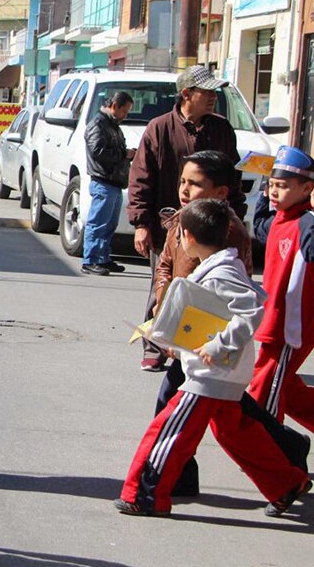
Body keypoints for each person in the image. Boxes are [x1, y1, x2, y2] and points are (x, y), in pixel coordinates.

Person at [116, 198, 310, 518]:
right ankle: (285, 484)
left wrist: (218, 346)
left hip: (210, 374)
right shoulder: (222, 267)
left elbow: (251, 309)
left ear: (188, 237)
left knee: (169, 430)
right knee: (236, 433)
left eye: (179, 235)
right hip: (218, 372)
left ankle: (144, 495)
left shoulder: (221, 272)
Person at [149, 150, 309, 497]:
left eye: (195, 184)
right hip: (188, 331)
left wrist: (207, 334)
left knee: (185, 407)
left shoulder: (227, 231)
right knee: (235, 413)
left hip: (212, 337)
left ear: (220, 192)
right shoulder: (182, 220)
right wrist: (162, 305)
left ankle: (174, 478)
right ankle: (287, 455)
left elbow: (235, 294)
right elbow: (166, 266)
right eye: (183, 182)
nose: (185, 189)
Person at [127, 65, 245, 371]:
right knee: (165, 282)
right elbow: (141, 178)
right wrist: (141, 223)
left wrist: (236, 216)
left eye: (215, 93)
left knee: (208, 288)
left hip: (213, 227)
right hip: (170, 226)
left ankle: (201, 343)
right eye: (206, 93)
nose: (213, 98)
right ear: (187, 95)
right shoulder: (159, 128)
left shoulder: (221, 129)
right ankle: (156, 342)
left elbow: (232, 177)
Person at [247, 146, 314, 436]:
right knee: (283, 384)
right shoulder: (280, 219)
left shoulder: (307, 224)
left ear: (307, 188)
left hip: (292, 326)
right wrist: (264, 194)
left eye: (283, 187)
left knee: (266, 385)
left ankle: (269, 444)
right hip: (272, 318)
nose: (275, 192)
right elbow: (261, 227)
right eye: (272, 185)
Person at [81, 91, 134, 276]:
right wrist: (124, 155)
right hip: (103, 180)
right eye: (124, 111)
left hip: (113, 182)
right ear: (114, 106)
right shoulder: (98, 124)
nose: (125, 115)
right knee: (98, 223)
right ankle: (91, 260)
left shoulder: (112, 125)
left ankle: (103, 257)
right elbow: (98, 151)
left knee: (109, 224)